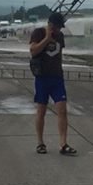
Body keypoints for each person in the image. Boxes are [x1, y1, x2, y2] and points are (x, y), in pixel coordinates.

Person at [29, 11, 77, 156]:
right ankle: (40, 143)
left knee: (62, 109)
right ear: (51, 25)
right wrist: (47, 38)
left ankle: (63, 144)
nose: (59, 30)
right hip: (42, 78)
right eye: (57, 27)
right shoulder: (38, 33)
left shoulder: (60, 36)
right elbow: (33, 51)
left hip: (57, 78)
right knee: (41, 110)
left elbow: (59, 55)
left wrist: (60, 71)